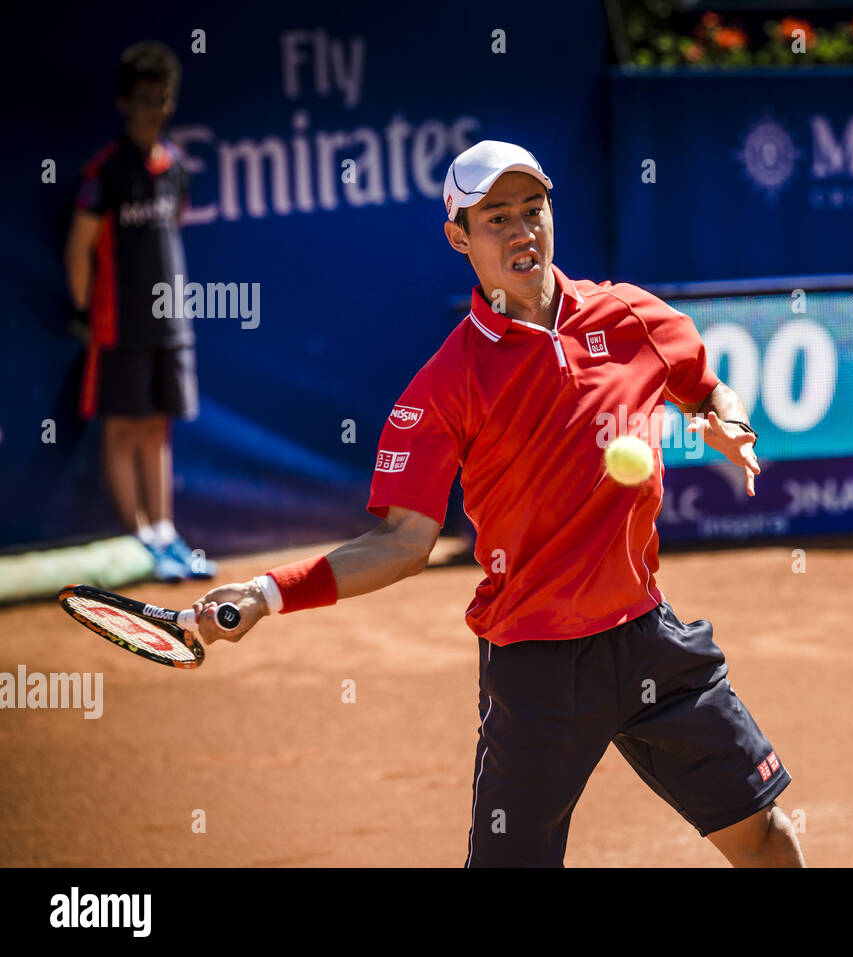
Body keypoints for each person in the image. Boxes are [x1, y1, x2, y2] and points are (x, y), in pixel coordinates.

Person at [189, 140, 805, 868]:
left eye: (533, 209)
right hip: (537, 669)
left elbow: (704, 387)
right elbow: (401, 543)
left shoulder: (630, 316)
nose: (521, 231)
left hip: (649, 640)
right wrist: (267, 592)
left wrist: (728, 422)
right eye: (496, 218)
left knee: (764, 837)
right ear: (460, 237)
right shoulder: (445, 385)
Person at [65, 41, 215, 583]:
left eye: (164, 100)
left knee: (158, 427)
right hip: (116, 324)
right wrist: (84, 310)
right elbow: (80, 247)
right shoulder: (104, 173)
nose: (156, 111)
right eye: (146, 99)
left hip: (170, 324)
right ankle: (140, 542)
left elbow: (172, 228)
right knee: (122, 430)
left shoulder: (175, 167)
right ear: (125, 102)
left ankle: (165, 534)